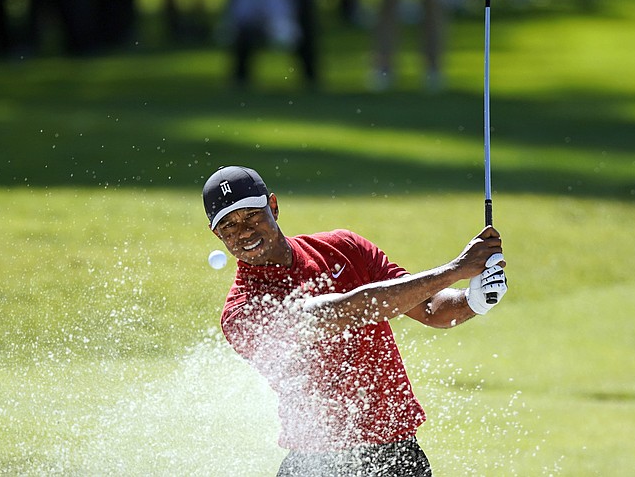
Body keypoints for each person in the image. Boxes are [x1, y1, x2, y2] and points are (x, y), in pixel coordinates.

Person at [202, 165, 509, 476]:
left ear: (273, 206)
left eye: (252, 215)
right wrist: (455, 269)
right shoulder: (242, 312)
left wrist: (475, 299)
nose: (244, 232)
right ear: (217, 234)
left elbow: (430, 308)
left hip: (399, 456)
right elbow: (343, 312)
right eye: (229, 225)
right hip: (319, 464)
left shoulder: (343, 247)